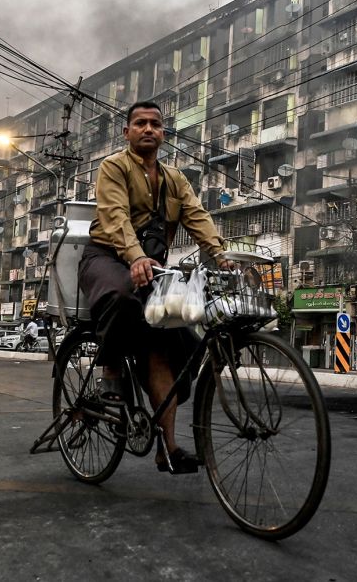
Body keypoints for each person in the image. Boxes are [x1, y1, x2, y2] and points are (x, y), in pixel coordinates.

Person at [78, 100, 230, 475]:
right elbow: (114, 217)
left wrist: (221, 254)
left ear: (164, 134)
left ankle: (168, 448)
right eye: (140, 123)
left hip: (153, 266)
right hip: (107, 256)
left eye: (156, 125)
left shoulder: (175, 178)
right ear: (127, 132)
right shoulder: (113, 167)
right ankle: (110, 368)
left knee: (174, 343)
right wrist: (134, 257)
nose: (148, 129)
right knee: (121, 295)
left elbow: (197, 216)